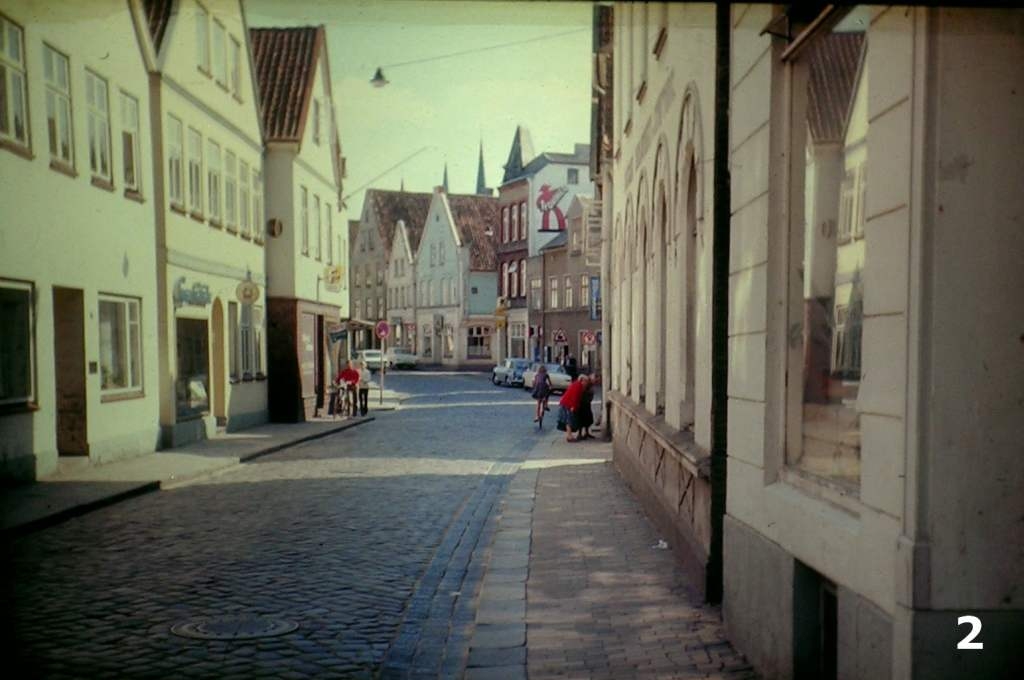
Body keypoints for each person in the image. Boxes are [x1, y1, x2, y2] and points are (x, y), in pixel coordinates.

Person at [558, 374, 589, 442]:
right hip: (568, 404)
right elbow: (575, 397)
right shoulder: (578, 385)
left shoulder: (578, 384)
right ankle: (569, 436)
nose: (587, 383)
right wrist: (573, 407)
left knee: (569, 420)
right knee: (569, 420)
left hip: (566, 403)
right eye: (586, 381)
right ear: (582, 380)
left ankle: (569, 436)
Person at [576, 373, 595, 439]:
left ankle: (586, 432)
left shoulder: (589, 386)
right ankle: (580, 433)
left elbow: (591, 394)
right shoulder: (579, 386)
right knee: (580, 419)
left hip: (586, 404)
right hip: (581, 405)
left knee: (587, 418)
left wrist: (589, 399)